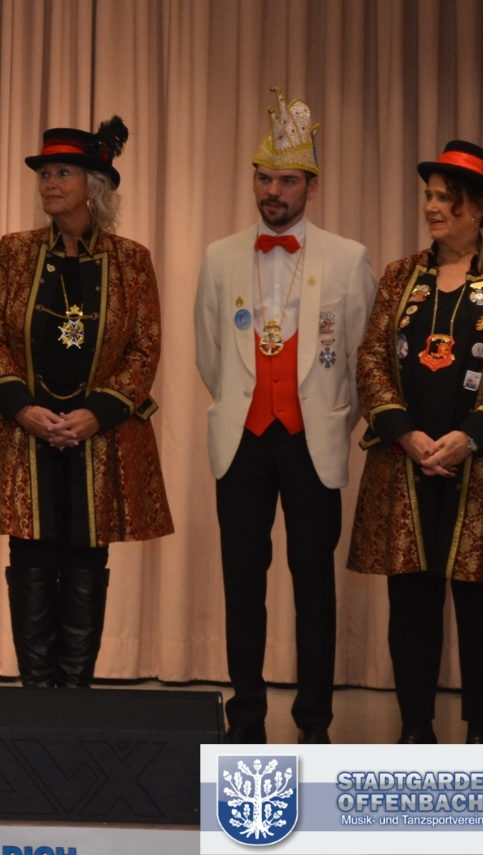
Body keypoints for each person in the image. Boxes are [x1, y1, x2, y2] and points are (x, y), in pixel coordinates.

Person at [194, 89, 376, 744]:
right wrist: (246, 404)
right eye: (265, 179)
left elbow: (361, 357)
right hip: (242, 440)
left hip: (312, 441)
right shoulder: (219, 257)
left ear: (311, 187)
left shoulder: (348, 258)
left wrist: (329, 419)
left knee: (313, 585)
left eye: (287, 181)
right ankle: (245, 717)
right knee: (242, 583)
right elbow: (210, 353)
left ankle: (314, 721)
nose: (273, 191)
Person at [0, 119, 172, 690]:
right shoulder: (14, 251)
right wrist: (24, 409)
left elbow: (145, 347)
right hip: (23, 435)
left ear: (94, 186)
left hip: (97, 438)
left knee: (85, 556)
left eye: (63, 173)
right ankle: (38, 693)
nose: (50, 183)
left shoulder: (131, 260)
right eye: (45, 174)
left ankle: (74, 693)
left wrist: (95, 414)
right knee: (30, 554)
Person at [349, 141, 483, 744]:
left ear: (479, 208)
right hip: (406, 466)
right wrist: (406, 434)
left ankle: (481, 733)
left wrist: (469, 438)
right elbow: (371, 358)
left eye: (446, 198)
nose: (432, 207)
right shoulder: (400, 275)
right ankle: (415, 727)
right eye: (429, 195)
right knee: (411, 609)